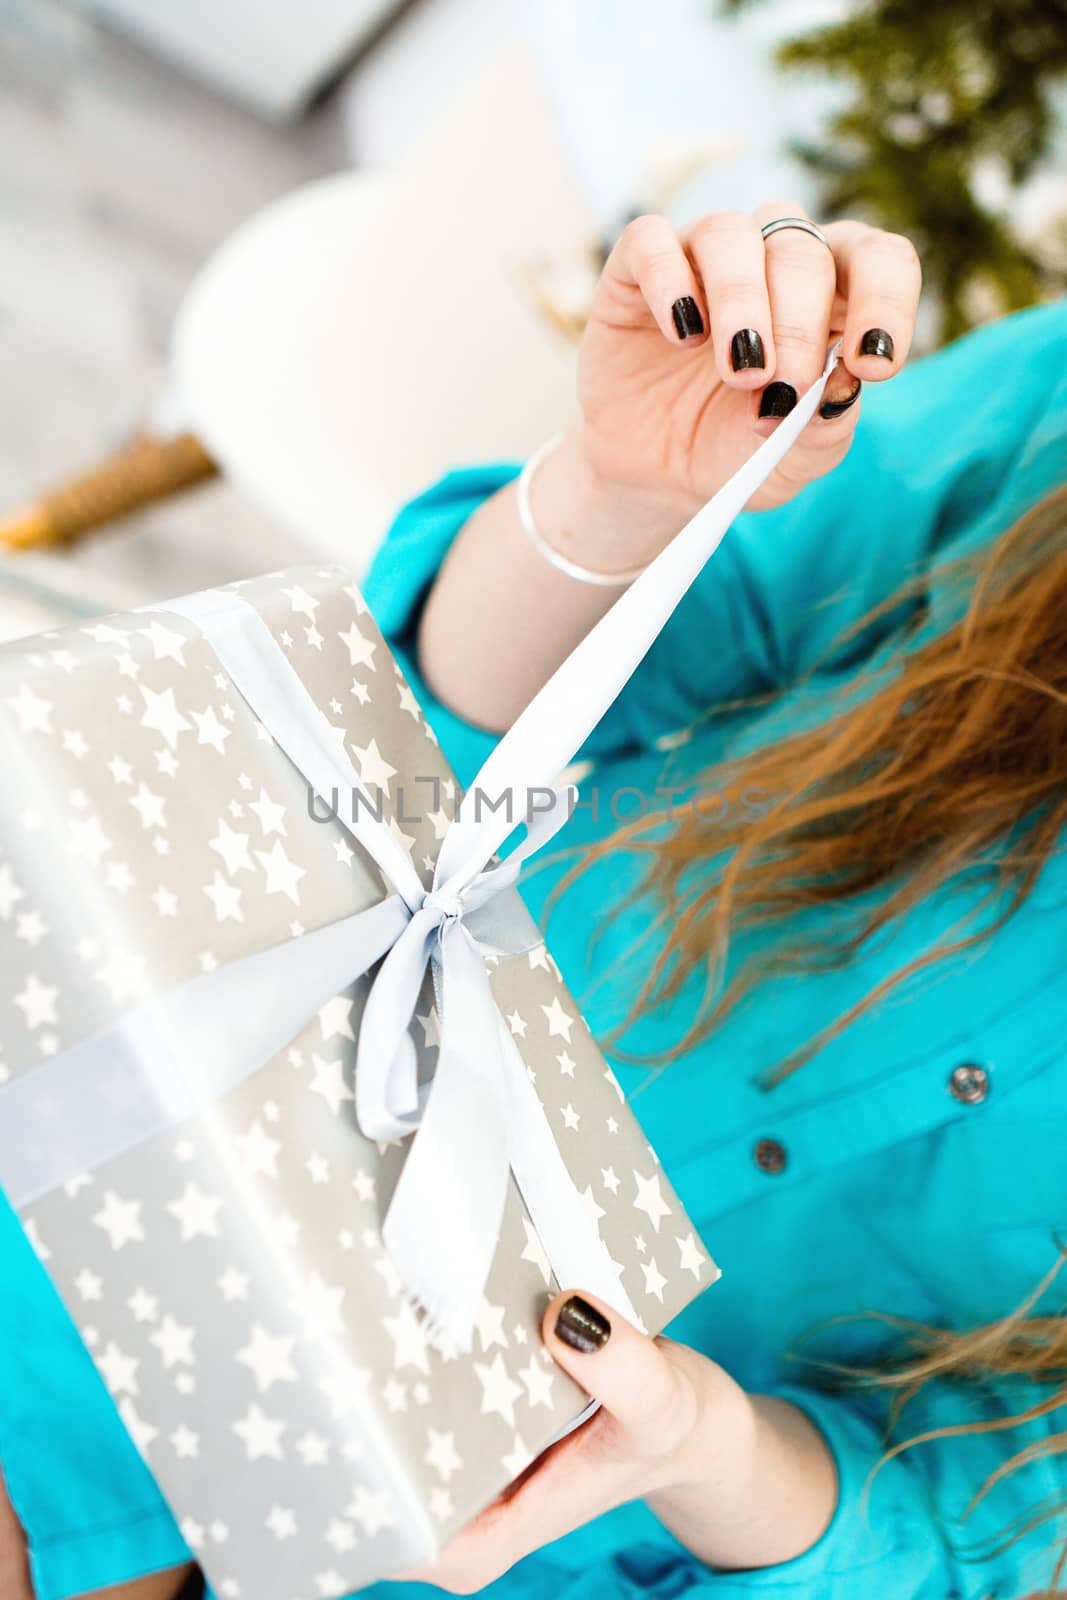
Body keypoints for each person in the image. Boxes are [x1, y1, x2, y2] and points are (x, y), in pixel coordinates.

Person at [1, 201, 1064, 1600]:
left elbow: (962, 1539)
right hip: (175, 1134)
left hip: (460, 1550)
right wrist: (618, 494)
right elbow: (445, 721)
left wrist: (703, 1448)